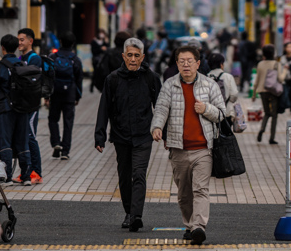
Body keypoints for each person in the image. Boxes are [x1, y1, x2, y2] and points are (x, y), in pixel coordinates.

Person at [151, 43, 226, 246]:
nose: (186, 65)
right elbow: (160, 109)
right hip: (178, 149)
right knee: (184, 193)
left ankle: (199, 227)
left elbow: (221, 113)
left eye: (189, 61)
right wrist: (157, 127)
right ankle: (189, 225)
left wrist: (206, 109)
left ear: (198, 63)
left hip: (203, 149)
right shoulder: (169, 85)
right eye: (182, 61)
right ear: (177, 63)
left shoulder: (209, 85)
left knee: (200, 189)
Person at [95, 37, 161, 231]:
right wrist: (99, 136)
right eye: (129, 55)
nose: (133, 59)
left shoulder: (151, 77)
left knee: (139, 173)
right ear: (123, 56)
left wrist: (164, 132)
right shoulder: (113, 79)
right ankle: (128, 212)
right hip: (121, 135)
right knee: (124, 176)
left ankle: (136, 215)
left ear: (142, 57)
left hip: (143, 135)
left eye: (136, 56)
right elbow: (103, 109)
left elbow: (161, 106)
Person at [0, 33, 32, 184]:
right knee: (22, 141)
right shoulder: (23, 66)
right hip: (22, 109)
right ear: (16, 47)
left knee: (5, 142)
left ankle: (6, 176)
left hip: (5, 109)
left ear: (3, 48)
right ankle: (26, 176)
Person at [49, 31, 83, 160]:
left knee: (53, 119)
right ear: (73, 43)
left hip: (55, 93)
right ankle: (65, 151)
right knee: (68, 122)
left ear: (60, 41)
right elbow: (79, 79)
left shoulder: (53, 57)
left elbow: (48, 77)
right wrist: (77, 96)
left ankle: (56, 143)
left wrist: (47, 96)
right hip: (70, 94)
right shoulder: (75, 59)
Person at [17, 27, 43, 184]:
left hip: (31, 105)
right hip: (22, 104)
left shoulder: (34, 58)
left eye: (22, 40)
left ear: (30, 41)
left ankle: (37, 173)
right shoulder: (21, 58)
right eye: (18, 39)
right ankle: (26, 172)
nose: (19, 42)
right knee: (23, 138)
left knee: (30, 137)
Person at [253, 45, 286, 145]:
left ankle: (262, 130)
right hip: (273, 91)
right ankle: (272, 138)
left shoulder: (260, 64)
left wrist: (254, 94)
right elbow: (280, 79)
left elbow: (257, 80)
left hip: (262, 91)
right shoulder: (276, 64)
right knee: (274, 115)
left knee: (267, 113)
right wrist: (285, 71)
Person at [207, 53, 238, 121]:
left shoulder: (206, 77)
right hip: (227, 112)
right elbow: (234, 94)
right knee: (226, 131)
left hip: (211, 113)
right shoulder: (228, 76)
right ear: (221, 64)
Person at [280, 41, 291, 115]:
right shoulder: (283, 58)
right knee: (287, 93)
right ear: (285, 48)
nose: (290, 49)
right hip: (286, 78)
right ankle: (287, 105)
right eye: (288, 47)